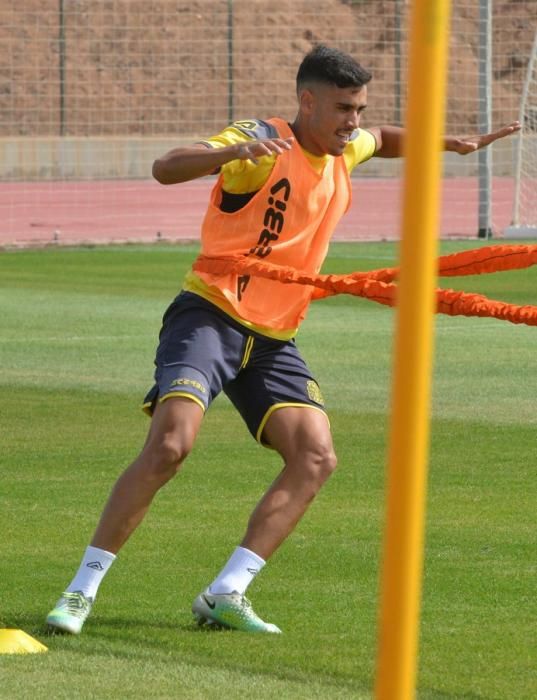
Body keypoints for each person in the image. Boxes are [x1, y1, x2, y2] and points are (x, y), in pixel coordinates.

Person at [46, 44, 521, 635]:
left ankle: (227, 592)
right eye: (344, 108)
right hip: (211, 315)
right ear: (308, 101)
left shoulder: (347, 150)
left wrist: (447, 142)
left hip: (275, 338)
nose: (354, 121)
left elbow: (385, 138)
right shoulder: (262, 140)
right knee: (170, 446)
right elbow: (166, 166)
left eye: (359, 108)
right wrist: (235, 151)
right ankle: (79, 592)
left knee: (316, 457)